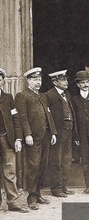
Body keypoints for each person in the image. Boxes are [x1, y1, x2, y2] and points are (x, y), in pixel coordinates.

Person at [15, 67, 57, 210]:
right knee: (33, 167)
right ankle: (31, 197)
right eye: (35, 80)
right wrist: (27, 134)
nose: (38, 82)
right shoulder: (22, 96)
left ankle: (38, 194)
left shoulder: (43, 96)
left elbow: (48, 115)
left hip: (45, 136)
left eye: (39, 79)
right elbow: (23, 117)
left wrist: (53, 133)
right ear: (28, 81)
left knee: (42, 166)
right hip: (33, 138)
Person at [46, 70, 78, 198]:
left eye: (66, 79)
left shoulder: (67, 94)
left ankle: (64, 186)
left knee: (66, 160)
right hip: (58, 133)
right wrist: (53, 132)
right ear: (55, 82)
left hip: (68, 131)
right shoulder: (49, 95)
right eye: (63, 80)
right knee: (56, 161)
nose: (66, 82)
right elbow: (48, 116)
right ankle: (56, 188)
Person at [0, 68, 28, 213]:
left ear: (3, 81)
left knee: (10, 171)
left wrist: (18, 138)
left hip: (7, 139)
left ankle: (13, 202)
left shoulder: (8, 98)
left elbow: (16, 119)